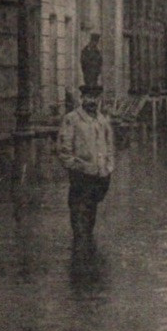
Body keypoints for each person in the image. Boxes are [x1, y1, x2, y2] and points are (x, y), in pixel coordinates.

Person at [57, 84, 115, 251]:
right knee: (79, 211)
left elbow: (109, 145)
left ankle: (87, 251)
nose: (92, 101)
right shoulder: (72, 119)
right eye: (88, 97)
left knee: (91, 212)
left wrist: (108, 166)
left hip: (100, 174)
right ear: (82, 98)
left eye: (95, 98)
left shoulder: (102, 120)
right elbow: (63, 149)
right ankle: (80, 254)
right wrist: (77, 167)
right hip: (82, 175)